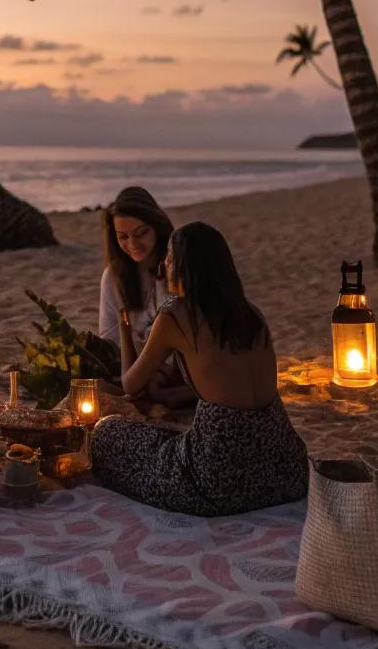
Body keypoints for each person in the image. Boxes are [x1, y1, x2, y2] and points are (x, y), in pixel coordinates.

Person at [91, 221, 308, 516]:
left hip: (218, 478)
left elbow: (130, 384)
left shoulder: (176, 315)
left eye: (169, 256)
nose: (164, 263)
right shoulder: (251, 313)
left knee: (107, 432)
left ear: (184, 266)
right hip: (286, 468)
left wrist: (125, 326)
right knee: (162, 438)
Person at [99, 188, 196, 408]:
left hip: (182, 368)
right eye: (123, 237)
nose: (133, 244)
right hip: (136, 369)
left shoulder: (177, 268)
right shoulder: (114, 277)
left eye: (141, 233)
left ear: (157, 227)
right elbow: (110, 339)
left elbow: (194, 331)